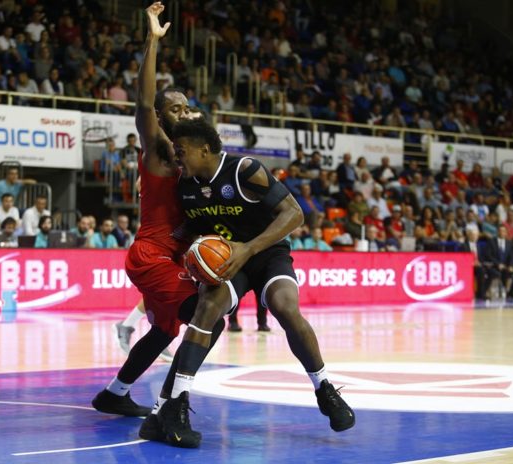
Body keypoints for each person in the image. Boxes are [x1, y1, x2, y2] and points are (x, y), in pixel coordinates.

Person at [150, 116, 355, 448]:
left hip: (267, 253)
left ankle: (324, 389)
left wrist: (249, 248)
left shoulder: (244, 170)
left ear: (204, 149)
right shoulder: (186, 187)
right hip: (230, 260)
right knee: (207, 308)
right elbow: (191, 230)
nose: (177, 157)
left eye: (182, 150)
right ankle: (176, 403)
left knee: (284, 307)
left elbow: (294, 214)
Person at [91, 2, 225, 429]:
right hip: (152, 255)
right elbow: (145, 103)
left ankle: (114, 394)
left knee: (166, 331)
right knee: (210, 319)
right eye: (174, 109)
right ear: (162, 118)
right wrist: (153, 40)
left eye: (186, 108)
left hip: (173, 257)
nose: (183, 114)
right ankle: (170, 401)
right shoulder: (159, 153)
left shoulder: (190, 160)